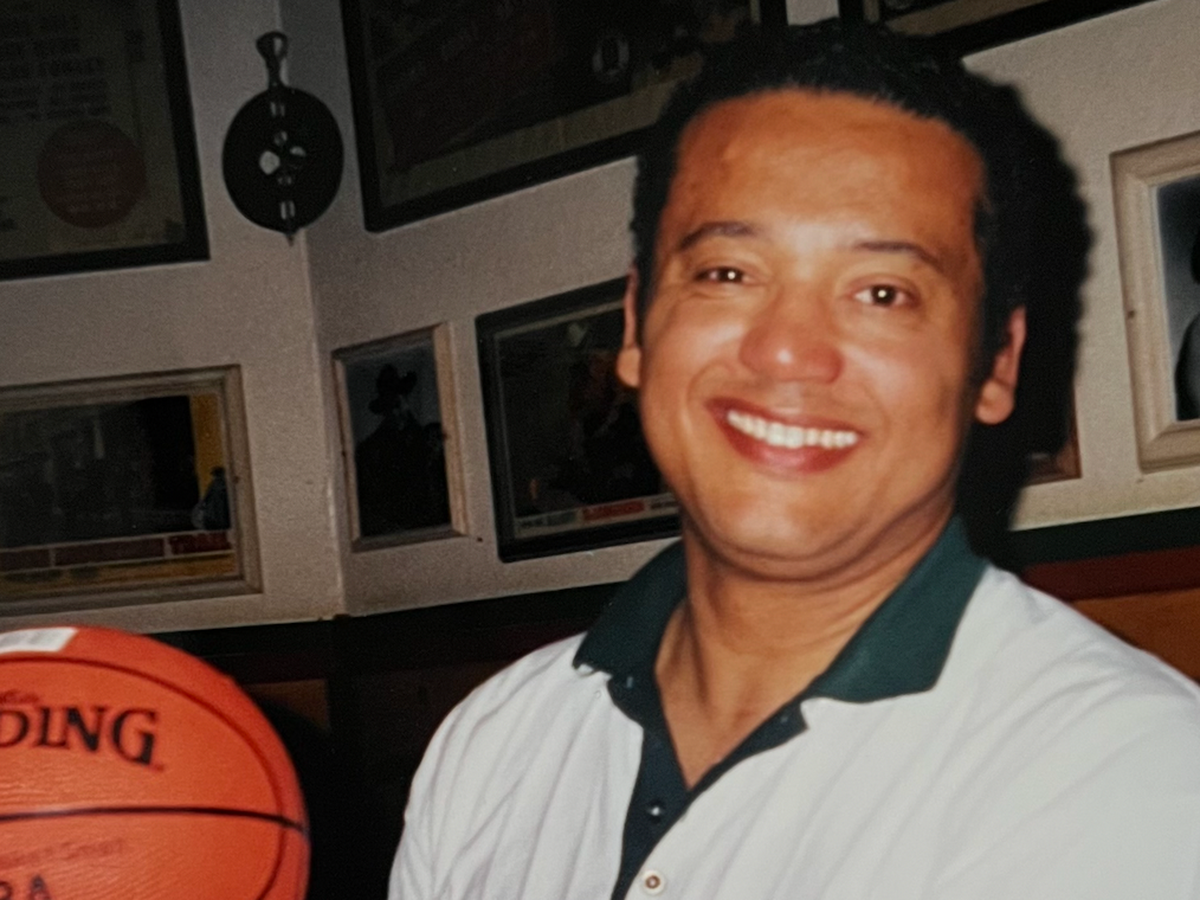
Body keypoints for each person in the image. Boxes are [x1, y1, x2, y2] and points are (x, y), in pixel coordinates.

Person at [389, 21, 1200, 900]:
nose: (786, 351)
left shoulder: (1121, 777)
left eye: (882, 292)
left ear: (996, 363)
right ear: (636, 325)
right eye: (728, 273)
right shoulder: (497, 740)